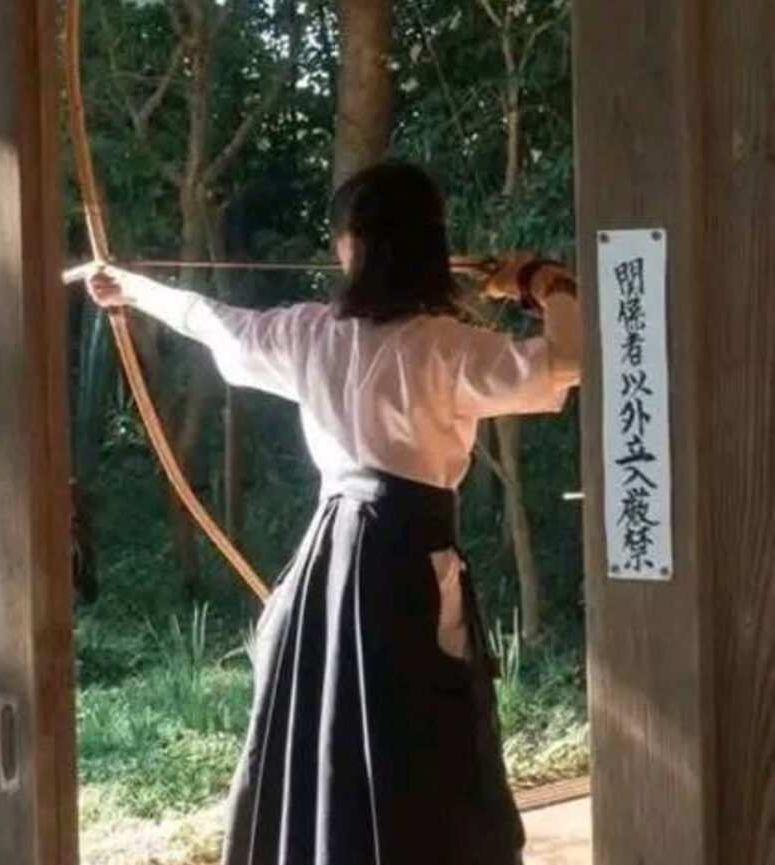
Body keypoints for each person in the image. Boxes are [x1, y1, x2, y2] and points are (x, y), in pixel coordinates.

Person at [86, 160, 581, 865]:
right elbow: (570, 358)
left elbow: (208, 319)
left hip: (332, 565)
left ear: (354, 245)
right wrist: (542, 282)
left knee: (326, 741)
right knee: (420, 743)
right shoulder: (447, 346)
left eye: (343, 238)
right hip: (408, 560)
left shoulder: (313, 334)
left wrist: (130, 289)